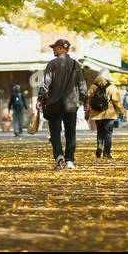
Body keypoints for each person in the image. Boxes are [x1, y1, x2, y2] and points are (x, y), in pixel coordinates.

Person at [38, 38, 87, 169]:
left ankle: (59, 156)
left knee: (55, 133)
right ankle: (70, 160)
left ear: (62, 48)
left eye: (55, 48)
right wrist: (85, 100)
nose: (53, 50)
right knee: (71, 133)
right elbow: (82, 84)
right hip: (71, 105)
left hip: (54, 104)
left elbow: (45, 83)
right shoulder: (76, 65)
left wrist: (40, 99)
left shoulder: (52, 64)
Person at [86, 69, 125, 158]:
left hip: (96, 114)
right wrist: (122, 112)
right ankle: (106, 153)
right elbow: (117, 101)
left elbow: (88, 102)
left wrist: (87, 113)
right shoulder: (112, 87)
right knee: (108, 133)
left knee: (99, 132)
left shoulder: (93, 87)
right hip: (109, 114)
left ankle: (99, 145)